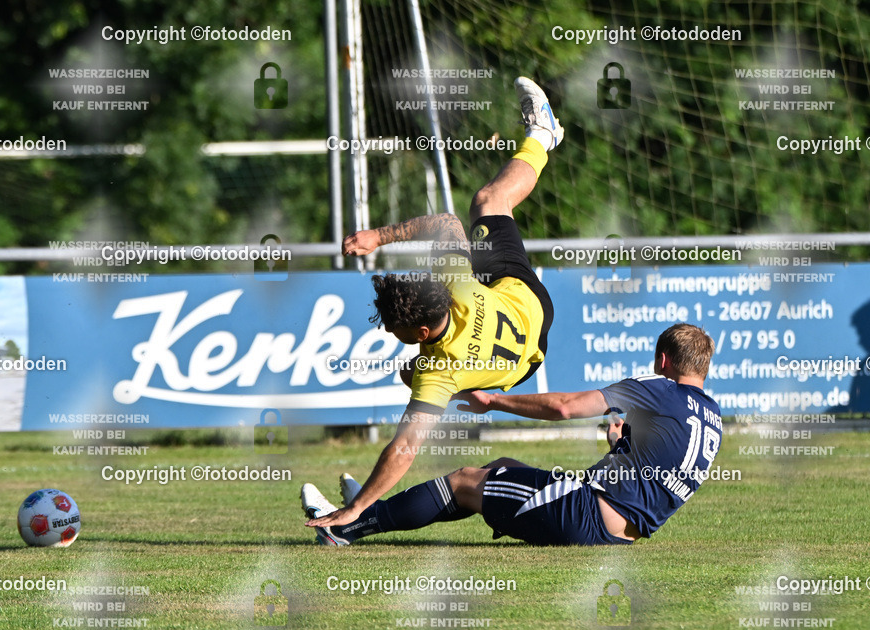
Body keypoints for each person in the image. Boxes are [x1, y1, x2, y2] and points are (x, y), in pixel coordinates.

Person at [309, 77, 563, 535]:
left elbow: (405, 449)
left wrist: (357, 507)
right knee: (489, 200)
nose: (390, 334)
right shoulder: (454, 282)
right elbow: (446, 222)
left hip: (523, 350)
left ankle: (362, 519)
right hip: (524, 299)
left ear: (422, 333)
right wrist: (380, 236)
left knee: (419, 378)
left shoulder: (436, 370)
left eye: (395, 331)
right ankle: (543, 136)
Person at [303, 323, 723, 546]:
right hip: (623, 529)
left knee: (465, 480)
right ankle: (377, 507)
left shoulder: (659, 388)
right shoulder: (712, 419)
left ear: (662, 359)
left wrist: (495, 402)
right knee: (501, 468)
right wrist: (620, 447)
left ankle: (348, 525)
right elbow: (658, 475)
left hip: (587, 516)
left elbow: (565, 408)